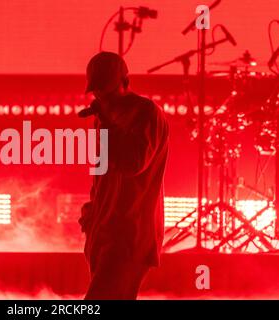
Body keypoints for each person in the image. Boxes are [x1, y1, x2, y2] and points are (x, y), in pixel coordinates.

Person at [78, 51, 169, 300]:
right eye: (98, 90)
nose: (101, 97)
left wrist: (107, 123)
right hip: (106, 231)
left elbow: (134, 163)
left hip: (131, 234)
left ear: (125, 82)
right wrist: (93, 209)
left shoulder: (145, 113)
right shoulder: (104, 120)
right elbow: (102, 173)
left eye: (107, 90)